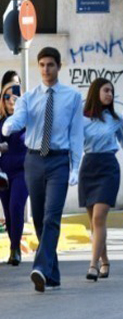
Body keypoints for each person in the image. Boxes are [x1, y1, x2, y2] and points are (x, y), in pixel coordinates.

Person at [2, 47, 84, 292]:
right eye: (42, 65)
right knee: (39, 218)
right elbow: (20, 118)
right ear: (38, 67)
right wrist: (10, 124)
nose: (46, 69)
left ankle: (39, 266)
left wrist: (75, 167)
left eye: (50, 64)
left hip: (59, 160)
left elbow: (77, 134)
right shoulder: (29, 97)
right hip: (34, 160)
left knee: (52, 216)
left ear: (59, 66)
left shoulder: (72, 97)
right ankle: (52, 273)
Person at [80, 78, 123, 281]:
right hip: (88, 167)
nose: (109, 95)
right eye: (106, 91)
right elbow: (74, 142)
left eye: (111, 91)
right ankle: (105, 261)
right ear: (96, 92)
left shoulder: (115, 118)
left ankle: (92, 265)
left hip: (108, 168)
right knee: (93, 223)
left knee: (99, 218)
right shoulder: (82, 118)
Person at [0, 82, 27, 266]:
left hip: (23, 171)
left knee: (16, 206)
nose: (11, 100)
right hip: (3, 173)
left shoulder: (27, 120)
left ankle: (15, 249)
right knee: (8, 212)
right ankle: (13, 244)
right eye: (7, 96)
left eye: (15, 96)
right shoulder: (0, 121)